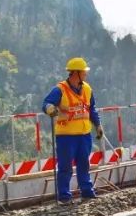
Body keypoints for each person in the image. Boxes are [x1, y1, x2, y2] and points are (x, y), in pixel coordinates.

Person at [42, 57, 102, 204]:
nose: (86, 74)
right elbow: (46, 103)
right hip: (66, 136)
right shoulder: (60, 89)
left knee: (84, 164)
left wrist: (98, 125)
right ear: (76, 73)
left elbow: (91, 108)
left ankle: (87, 192)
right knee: (65, 167)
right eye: (83, 72)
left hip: (84, 135)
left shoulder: (87, 89)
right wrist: (50, 108)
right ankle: (64, 197)